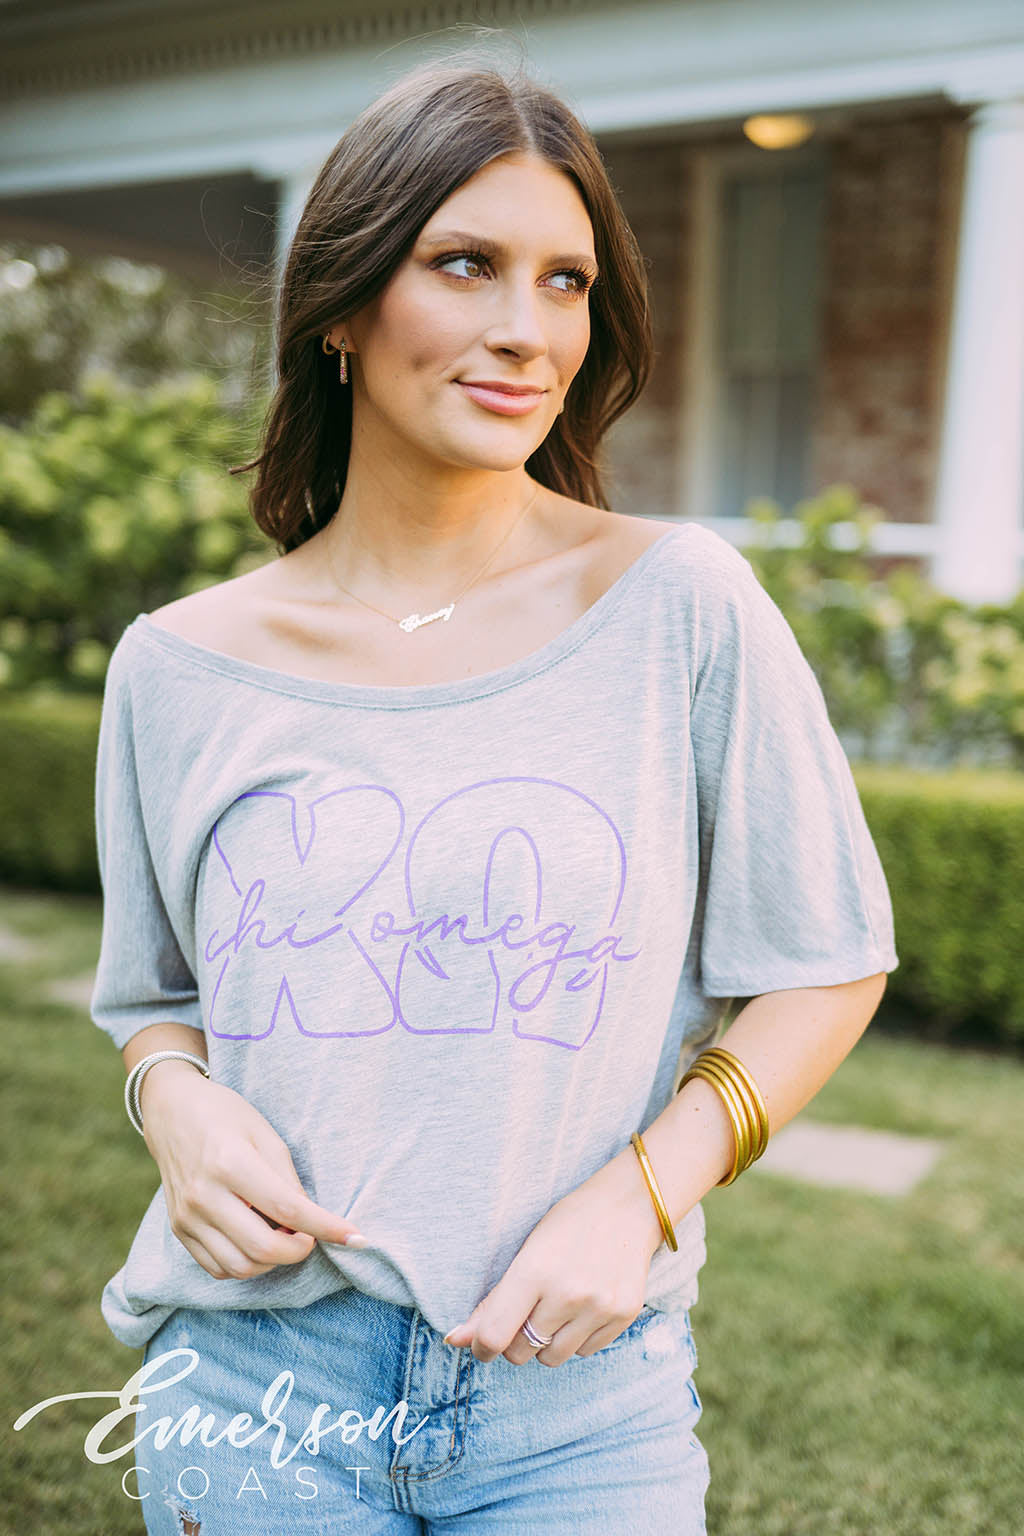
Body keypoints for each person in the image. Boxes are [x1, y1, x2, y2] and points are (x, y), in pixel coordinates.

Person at [89, 49, 898, 1536]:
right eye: (466, 265)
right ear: (341, 307)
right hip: (254, 1389)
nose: (527, 330)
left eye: (565, 282)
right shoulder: (177, 667)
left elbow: (827, 963)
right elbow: (152, 993)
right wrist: (174, 1106)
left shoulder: (680, 608)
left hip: (577, 1408)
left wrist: (639, 1195)